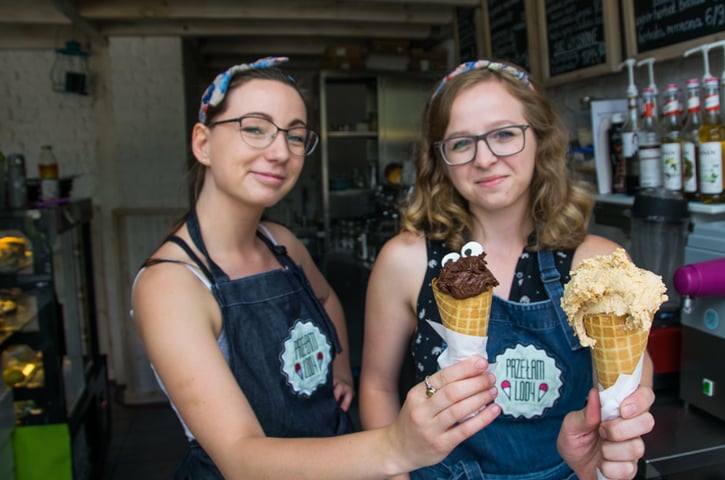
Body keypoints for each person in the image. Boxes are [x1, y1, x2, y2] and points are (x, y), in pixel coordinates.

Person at [131, 56, 501, 479]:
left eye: (295, 136)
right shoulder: (171, 285)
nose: (279, 152)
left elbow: (326, 300)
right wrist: (395, 446)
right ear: (202, 143)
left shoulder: (280, 243)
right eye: (255, 128)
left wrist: (340, 369)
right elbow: (240, 459)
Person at [359, 59, 656, 480]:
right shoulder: (405, 261)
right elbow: (377, 387)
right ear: (440, 158)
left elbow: (629, 377)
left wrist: (627, 414)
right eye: (461, 143)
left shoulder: (596, 264)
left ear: (540, 138)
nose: (484, 158)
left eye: (504, 134)